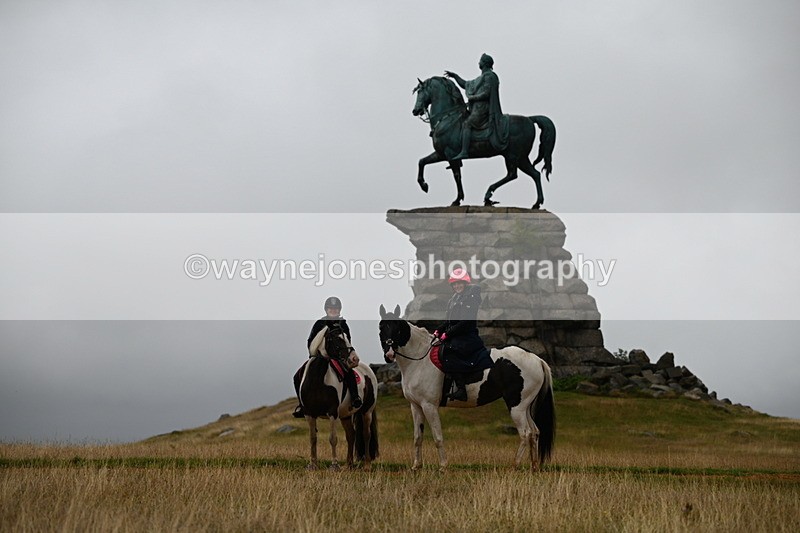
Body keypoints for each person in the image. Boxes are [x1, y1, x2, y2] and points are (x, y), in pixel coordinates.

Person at [293, 296, 361, 418]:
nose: (333, 311)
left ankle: (355, 397)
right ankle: (302, 405)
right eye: (331, 308)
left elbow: (347, 341)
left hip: (338, 358)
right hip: (319, 356)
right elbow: (310, 340)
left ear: (339, 310)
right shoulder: (320, 324)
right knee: (297, 376)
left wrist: (342, 356)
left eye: (335, 309)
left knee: (348, 372)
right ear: (326, 310)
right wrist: (316, 352)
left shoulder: (343, 324)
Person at [433, 268, 491, 401]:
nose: (457, 286)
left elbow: (465, 322)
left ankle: (461, 390)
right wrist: (438, 330)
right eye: (455, 284)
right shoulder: (454, 299)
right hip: (456, 335)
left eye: (460, 283)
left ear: (465, 283)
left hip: (467, 336)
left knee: (449, 352)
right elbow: (449, 321)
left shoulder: (471, 298)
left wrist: (447, 334)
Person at [444, 53, 509, 160]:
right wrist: (455, 76)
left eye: (480, 61)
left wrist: (473, 98)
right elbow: (466, 84)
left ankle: (464, 151)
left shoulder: (490, 76)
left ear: (484, 63)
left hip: (484, 109)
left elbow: (486, 93)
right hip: (477, 108)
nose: (478, 62)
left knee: (467, 124)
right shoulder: (480, 78)